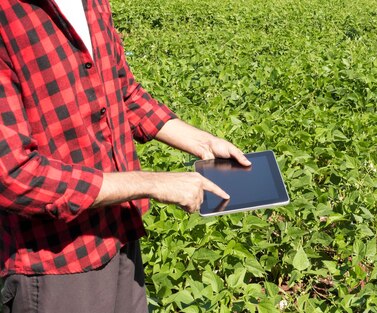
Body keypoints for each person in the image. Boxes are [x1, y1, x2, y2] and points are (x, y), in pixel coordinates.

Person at [0, 0, 250, 312]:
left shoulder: (92, 3)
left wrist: (203, 142)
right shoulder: (7, 15)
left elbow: (123, 92)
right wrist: (152, 183)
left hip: (119, 233)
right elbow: (13, 176)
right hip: (59, 260)